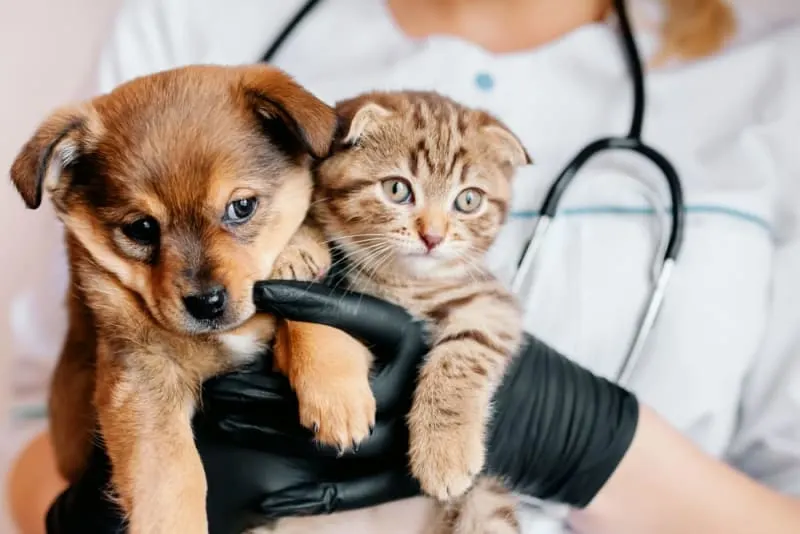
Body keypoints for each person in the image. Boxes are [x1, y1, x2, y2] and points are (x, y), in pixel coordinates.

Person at [7, 0, 800, 533]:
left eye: (241, 209)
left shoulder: (771, 68)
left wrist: (583, 441)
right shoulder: (197, 18)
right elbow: (35, 416)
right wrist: (101, 511)